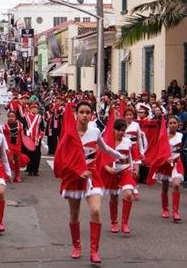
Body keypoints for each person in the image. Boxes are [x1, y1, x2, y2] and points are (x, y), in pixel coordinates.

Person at [54, 101, 124, 264]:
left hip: (92, 175)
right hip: (75, 177)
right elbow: (62, 158)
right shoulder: (69, 134)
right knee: (74, 214)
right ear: (76, 114)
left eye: (88, 112)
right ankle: (76, 246)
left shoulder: (95, 131)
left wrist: (119, 155)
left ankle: (94, 251)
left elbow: (104, 147)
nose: (85, 115)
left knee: (95, 210)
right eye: (82, 112)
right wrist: (78, 171)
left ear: (92, 115)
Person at [100, 118, 137, 234]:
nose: (121, 132)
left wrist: (134, 168)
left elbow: (132, 157)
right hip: (112, 171)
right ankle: (114, 222)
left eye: (123, 130)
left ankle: (125, 223)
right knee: (114, 197)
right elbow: (101, 158)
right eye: (119, 130)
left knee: (128, 194)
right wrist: (108, 168)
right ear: (113, 130)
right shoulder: (106, 142)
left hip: (125, 171)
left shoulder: (128, 142)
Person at [151, 116, 184, 222]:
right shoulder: (163, 136)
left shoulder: (181, 135)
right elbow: (159, 150)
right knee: (164, 187)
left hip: (176, 162)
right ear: (167, 124)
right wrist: (165, 159)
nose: (173, 125)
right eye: (171, 123)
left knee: (176, 185)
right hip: (165, 163)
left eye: (175, 123)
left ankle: (175, 212)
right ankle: (165, 209)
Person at [3, 111, 26, 182]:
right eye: (9, 116)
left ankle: (17, 176)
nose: (11, 118)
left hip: (18, 145)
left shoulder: (20, 125)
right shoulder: (4, 126)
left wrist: (26, 144)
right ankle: (9, 175)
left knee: (17, 160)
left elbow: (23, 136)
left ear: (16, 118)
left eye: (12, 116)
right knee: (10, 159)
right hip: (9, 145)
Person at [23, 102, 45, 176]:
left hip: (36, 139)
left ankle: (36, 170)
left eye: (36, 108)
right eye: (33, 108)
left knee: (37, 155)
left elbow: (42, 128)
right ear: (30, 109)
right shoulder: (26, 117)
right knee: (29, 154)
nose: (34, 109)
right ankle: (30, 170)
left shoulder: (40, 117)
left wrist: (39, 136)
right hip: (29, 139)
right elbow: (23, 127)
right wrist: (25, 137)